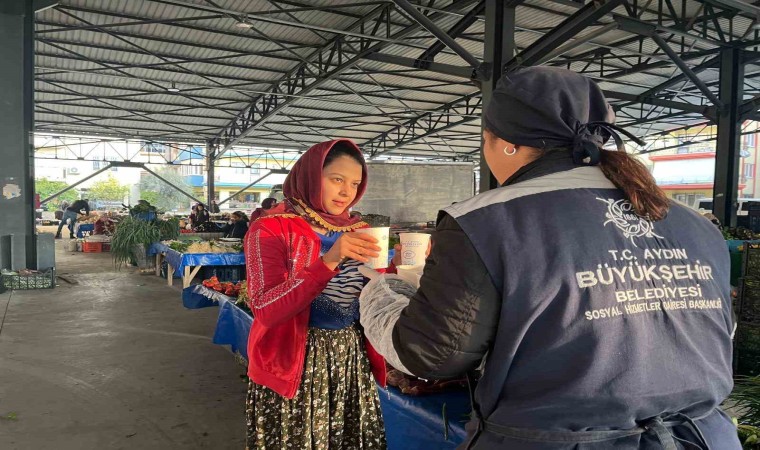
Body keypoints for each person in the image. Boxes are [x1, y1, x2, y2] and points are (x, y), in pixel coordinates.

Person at [358, 67, 739, 449]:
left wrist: (379, 292)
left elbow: (431, 354)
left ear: (506, 143)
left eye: (485, 140)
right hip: (705, 438)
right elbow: (718, 331)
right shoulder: (692, 222)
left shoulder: (485, 221)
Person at [243, 139, 386, 449]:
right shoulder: (270, 229)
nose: (346, 192)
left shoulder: (358, 230)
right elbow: (266, 309)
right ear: (310, 176)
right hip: (294, 363)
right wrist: (329, 261)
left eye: (355, 184)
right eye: (337, 179)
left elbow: (370, 295)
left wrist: (399, 269)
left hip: (349, 357)